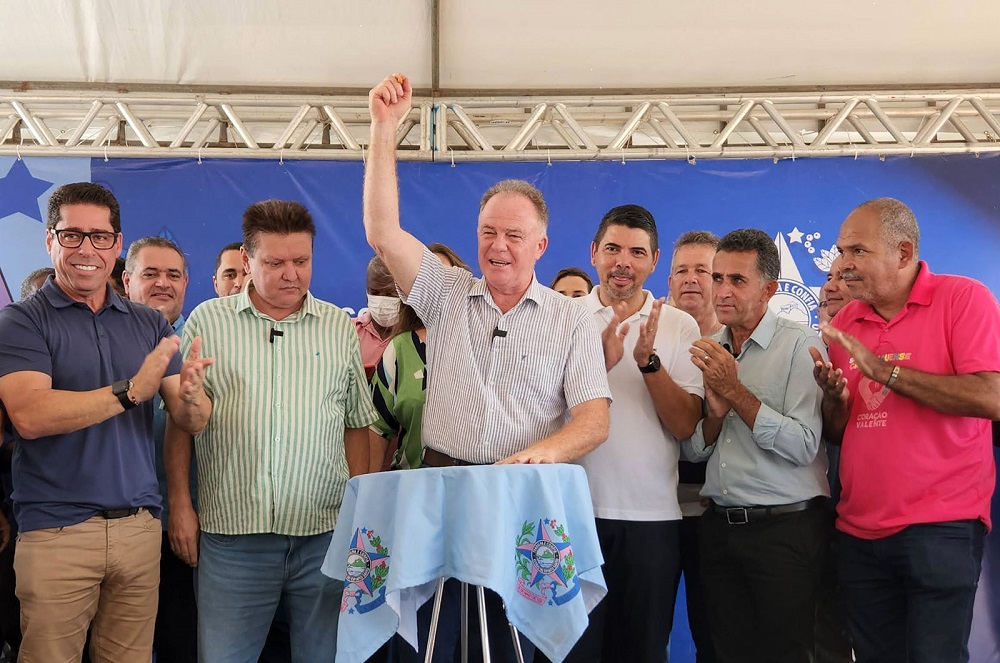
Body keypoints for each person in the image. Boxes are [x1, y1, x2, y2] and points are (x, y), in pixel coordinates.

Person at [364, 73, 611, 663]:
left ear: (541, 246)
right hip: (440, 497)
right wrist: (383, 128)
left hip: (523, 504)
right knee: (432, 646)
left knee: (515, 646)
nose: (498, 246)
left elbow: (594, 420)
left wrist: (543, 454)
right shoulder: (445, 292)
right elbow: (382, 232)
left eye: (514, 236)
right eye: (488, 233)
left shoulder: (572, 318)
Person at [0, 182, 212, 663]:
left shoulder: (148, 323)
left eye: (99, 237)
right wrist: (130, 391)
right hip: (57, 535)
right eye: (71, 235)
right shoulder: (22, 321)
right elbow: (30, 416)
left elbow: (190, 419)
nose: (86, 249)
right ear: (50, 241)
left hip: (139, 531)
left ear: (116, 245)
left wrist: (194, 397)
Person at [166, 199, 377, 663]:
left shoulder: (337, 328)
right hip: (232, 540)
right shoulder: (207, 322)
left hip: (322, 537)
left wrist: (356, 516)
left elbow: (355, 424)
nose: (291, 275)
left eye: (301, 261)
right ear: (246, 260)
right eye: (275, 263)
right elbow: (181, 427)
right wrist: (180, 503)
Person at [810, 197, 1000, 663]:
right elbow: (839, 433)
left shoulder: (963, 298)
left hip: (941, 527)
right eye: (841, 251)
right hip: (858, 532)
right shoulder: (847, 321)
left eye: (858, 251)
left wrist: (885, 371)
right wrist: (835, 401)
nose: (844, 263)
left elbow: (991, 397)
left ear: (903, 252)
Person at [682, 228, 829, 663]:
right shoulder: (709, 349)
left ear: (768, 289)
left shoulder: (802, 344)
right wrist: (714, 415)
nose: (722, 291)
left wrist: (736, 392)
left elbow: (804, 445)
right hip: (719, 530)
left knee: (788, 654)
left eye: (737, 280)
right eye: (718, 277)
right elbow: (693, 453)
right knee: (724, 653)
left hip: (784, 531)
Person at [567, 205, 702, 663]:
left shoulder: (679, 325)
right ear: (593, 253)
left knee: (642, 651)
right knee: (572, 652)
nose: (623, 262)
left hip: (652, 521)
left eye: (637, 252)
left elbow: (685, 425)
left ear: (654, 260)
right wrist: (598, 365)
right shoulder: (562, 318)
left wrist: (649, 363)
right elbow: (538, 415)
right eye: (612, 249)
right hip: (573, 516)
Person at [122, 236, 198, 663]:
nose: (163, 283)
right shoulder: (104, 338)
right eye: (150, 274)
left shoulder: (205, 340)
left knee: (178, 641)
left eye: (173, 275)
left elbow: (192, 423)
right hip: (113, 523)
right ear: (127, 280)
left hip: (183, 523)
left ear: (186, 283)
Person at [667, 230, 722, 663]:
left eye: (702, 270)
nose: (690, 279)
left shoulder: (740, 344)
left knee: (716, 637)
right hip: (655, 513)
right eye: (681, 270)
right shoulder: (648, 337)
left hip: (716, 516)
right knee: (641, 634)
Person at [369, 243, 471, 472]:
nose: (438, 287)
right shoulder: (400, 350)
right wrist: (366, 489)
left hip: (477, 485)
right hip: (411, 483)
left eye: (445, 277)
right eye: (427, 278)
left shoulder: (488, 342)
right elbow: (376, 427)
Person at [812, 256, 854, 663]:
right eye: (829, 277)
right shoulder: (802, 349)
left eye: (845, 277)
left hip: (867, 517)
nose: (831, 285)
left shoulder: (884, 353)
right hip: (811, 518)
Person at [355, 255, 399, 380]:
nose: (381, 300)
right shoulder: (347, 331)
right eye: (374, 292)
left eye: (390, 293)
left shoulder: (418, 336)